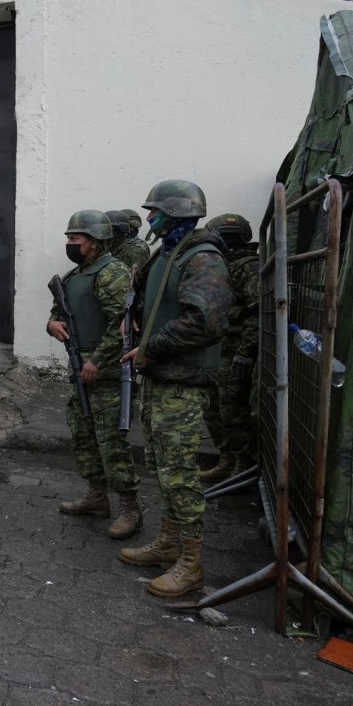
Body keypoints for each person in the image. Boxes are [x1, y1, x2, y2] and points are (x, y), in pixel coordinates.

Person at [117, 180, 232, 597]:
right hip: (162, 379)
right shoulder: (169, 254)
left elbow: (205, 321)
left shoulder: (203, 259)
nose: (149, 218)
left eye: (156, 211)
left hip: (182, 383)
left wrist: (151, 348)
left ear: (177, 213)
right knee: (164, 468)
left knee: (181, 473)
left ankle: (191, 564)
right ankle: (168, 543)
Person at [47, 210, 144, 538]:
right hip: (82, 369)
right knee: (84, 436)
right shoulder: (76, 275)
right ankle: (96, 496)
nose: (70, 244)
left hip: (106, 373)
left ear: (95, 241)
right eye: (69, 238)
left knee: (111, 442)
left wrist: (98, 361)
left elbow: (123, 327)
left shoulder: (111, 272)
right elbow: (60, 310)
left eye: (76, 239)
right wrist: (52, 323)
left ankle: (130, 507)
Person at [199, 213, 261, 483]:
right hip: (216, 351)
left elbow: (258, 313)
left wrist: (245, 354)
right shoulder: (220, 265)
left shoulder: (248, 267)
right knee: (213, 409)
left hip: (235, 353)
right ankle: (227, 459)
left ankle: (244, 465)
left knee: (232, 412)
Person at [106, 207, 151, 278]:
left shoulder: (137, 248)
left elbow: (136, 280)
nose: (131, 230)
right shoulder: (113, 245)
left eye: (134, 227)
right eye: (129, 226)